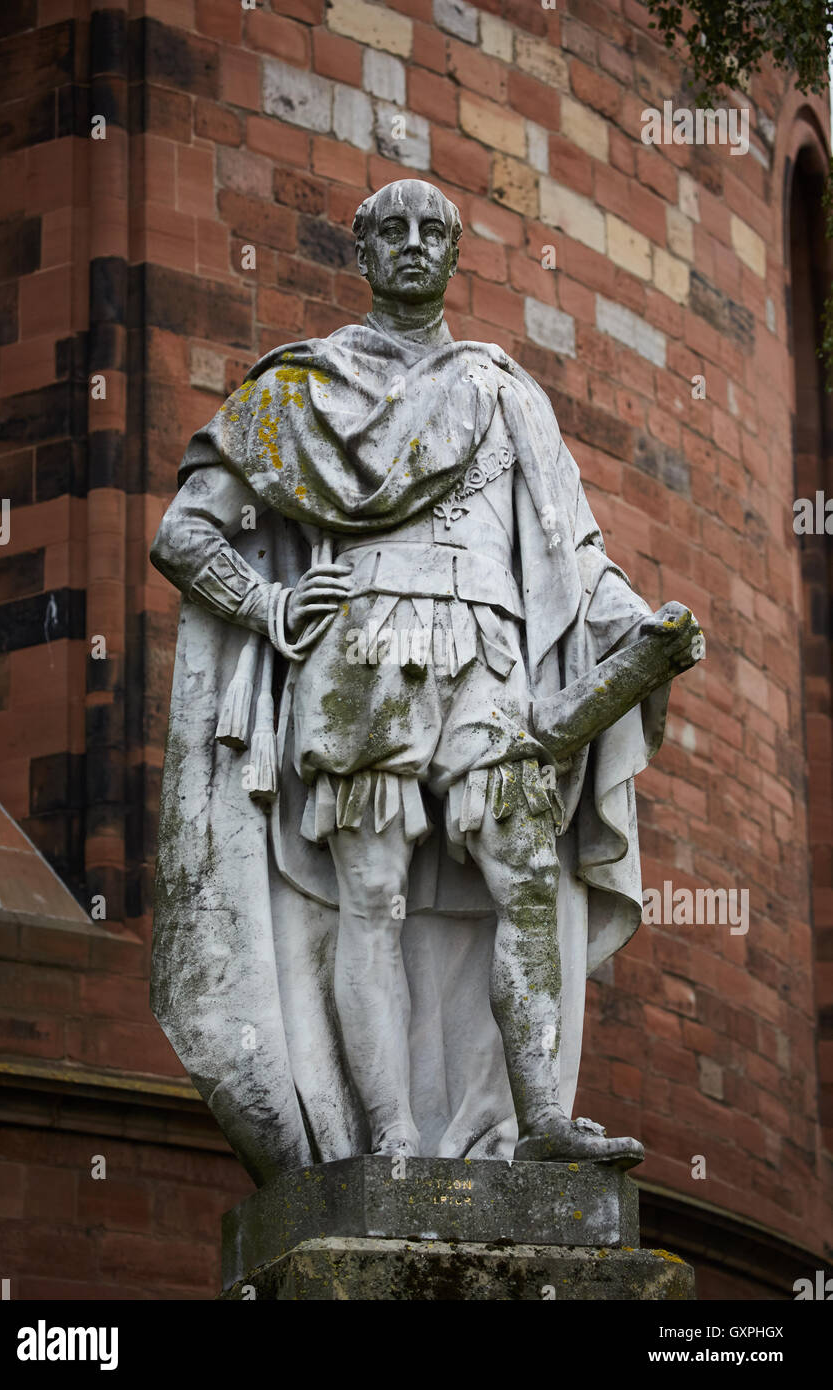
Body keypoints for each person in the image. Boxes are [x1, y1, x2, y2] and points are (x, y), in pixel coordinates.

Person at [150, 179, 702, 1181]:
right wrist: (266, 607)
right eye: (390, 232)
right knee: (370, 893)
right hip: (359, 654)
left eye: (431, 231)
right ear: (360, 254)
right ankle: (390, 1138)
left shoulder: (500, 388)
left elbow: (571, 550)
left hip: (487, 660)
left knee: (526, 876)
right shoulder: (297, 391)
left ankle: (539, 1116)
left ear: (455, 257)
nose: (411, 245)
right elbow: (183, 530)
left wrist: (634, 624)